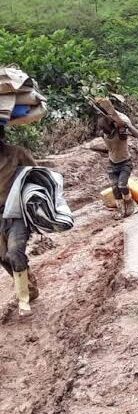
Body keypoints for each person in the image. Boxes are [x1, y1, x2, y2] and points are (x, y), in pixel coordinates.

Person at [0, 126, 40, 316]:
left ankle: (23, 299)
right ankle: (28, 283)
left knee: (15, 252)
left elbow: (38, 176)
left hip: (16, 213)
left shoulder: (17, 153)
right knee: (4, 257)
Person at [95, 97, 138, 219]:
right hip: (112, 164)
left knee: (122, 186)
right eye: (101, 127)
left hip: (125, 163)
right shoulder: (103, 134)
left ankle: (131, 206)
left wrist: (128, 126)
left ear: (110, 124)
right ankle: (121, 210)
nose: (102, 128)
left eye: (103, 126)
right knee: (115, 188)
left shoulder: (121, 133)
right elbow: (108, 147)